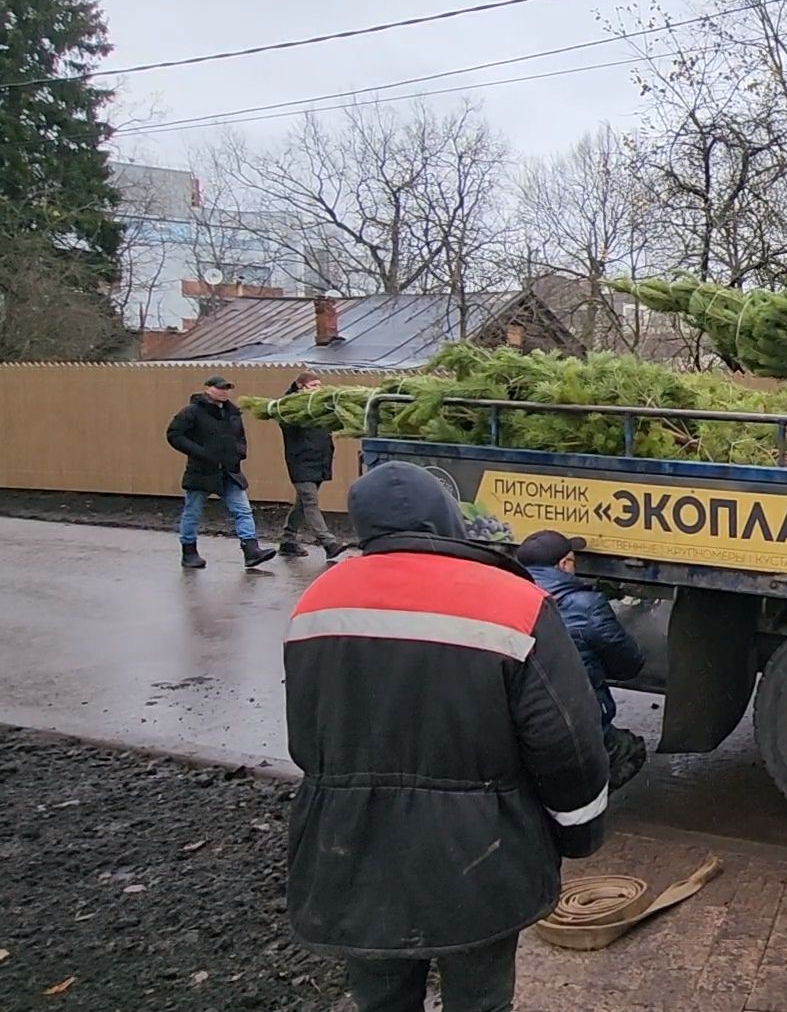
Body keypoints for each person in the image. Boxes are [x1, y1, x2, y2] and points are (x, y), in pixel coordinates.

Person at [284, 461, 610, 1012]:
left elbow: (306, 737)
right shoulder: (514, 602)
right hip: (481, 859)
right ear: (446, 519)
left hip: (352, 853)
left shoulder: (317, 601)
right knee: (479, 1000)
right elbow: (566, 744)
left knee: (380, 999)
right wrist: (579, 833)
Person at [516, 529, 649, 789]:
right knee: (630, 751)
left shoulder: (505, 598)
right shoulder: (587, 605)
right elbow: (629, 665)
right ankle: (590, 802)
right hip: (575, 726)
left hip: (521, 723)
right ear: (565, 564)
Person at [165, 375, 276, 569]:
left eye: (227, 388)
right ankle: (189, 552)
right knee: (193, 512)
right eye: (220, 388)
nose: (224, 392)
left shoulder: (232, 412)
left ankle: (251, 550)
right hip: (202, 471)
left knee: (242, 510)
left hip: (229, 471)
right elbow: (174, 435)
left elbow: (240, 437)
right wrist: (200, 452)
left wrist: (239, 452)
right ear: (208, 389)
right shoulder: (192, 412)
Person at [276, 371, 351, 561]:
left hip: (319, 460)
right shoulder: (290, 407)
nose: (318, 389)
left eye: (319, 385)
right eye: (313, 385)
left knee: (302, 503)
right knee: (310, 501)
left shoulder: (319, 406)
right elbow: (288, 425)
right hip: (301, 461)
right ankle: (328, 543)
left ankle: (287, 540)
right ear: (300, 387)